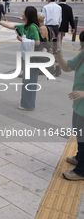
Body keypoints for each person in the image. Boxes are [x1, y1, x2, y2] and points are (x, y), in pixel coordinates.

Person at [0, 6, 40, 110]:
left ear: (28, 15)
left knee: (30, 82)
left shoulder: (32, 27)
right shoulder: (26, 26)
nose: (22, 13)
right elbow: (11, 26)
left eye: (23, 12)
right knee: (26, 81)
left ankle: (29, 105)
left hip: (32, 58)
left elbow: (37, 42)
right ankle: (26, 104)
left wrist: (23, 40)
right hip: (27, 57)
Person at [57, 31, 84, 181]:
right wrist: (58, 56)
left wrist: (83, 93)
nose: (82, 48)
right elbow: (67, 68)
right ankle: (80, 157)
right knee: (79, 134)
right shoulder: (82, 55)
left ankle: (81, 171)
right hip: (79, 105)